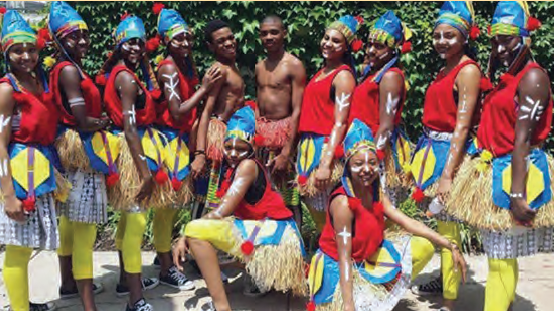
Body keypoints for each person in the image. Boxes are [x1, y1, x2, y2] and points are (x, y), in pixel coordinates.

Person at [444, 2, 553, 311]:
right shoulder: (507, 74)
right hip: (496, 171)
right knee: (500, 256)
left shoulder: (532, 79)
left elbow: (522, 140)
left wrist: (517, 194)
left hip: (515, 175)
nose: (500, 47)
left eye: (507, 39)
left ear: (526, 37)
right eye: (495, 39)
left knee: (500, 259)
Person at [306, 119, 467, 311]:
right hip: (340, 269)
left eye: (372, 162)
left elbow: (404, 220)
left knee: (422, 247)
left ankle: (379, 294)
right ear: (348, 165)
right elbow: (344, 257)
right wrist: (348, 305)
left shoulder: (375, 188)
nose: (367, 169)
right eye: (359, 163)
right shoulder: (343, 204)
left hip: (367, 257)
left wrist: (447, 244)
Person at [173, 105, 306, 311]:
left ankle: (222, 307)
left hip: (275, 237)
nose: (233, 153)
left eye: (240, 149)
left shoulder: (247, 167)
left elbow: (221, 211)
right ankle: (256, 276)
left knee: (196, 232)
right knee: (201, 231)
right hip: (267, 230)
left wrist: (186, 232)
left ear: (252, 147)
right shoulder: (237, 167)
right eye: (228, 147)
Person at [408, 3, 486, 310]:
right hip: (432, 152)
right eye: (438, 35)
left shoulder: (467, 71)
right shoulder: (444, 69)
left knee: (448, 229)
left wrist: (448, 174)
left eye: (449, 36)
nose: (441, 41)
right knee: (440, 226)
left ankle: (450, 302)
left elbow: (462, 126)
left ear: (464, 38)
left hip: (449, 158)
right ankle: (444, 280)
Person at [96, 14, 171, 311]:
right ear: (118, 45)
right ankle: (135, 300)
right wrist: (144, 173)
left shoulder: (127, 72)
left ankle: (127, 282)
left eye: (140, 42)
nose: (136, 47)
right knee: (137, 222)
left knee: (128, 221)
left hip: (132, 149)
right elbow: (129, 128)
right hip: (132, 153)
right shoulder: (126, 77)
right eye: (129, 43)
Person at [151, 6, 222, 291]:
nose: (185, 43)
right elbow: (177, 110)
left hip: (179, 141)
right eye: (178, 39)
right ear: (167, 40)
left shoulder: (184, 64)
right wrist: (204, 89)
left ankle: (164, 257)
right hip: (168, 142)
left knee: (170, 208)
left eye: (188, 38)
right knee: (164, 208)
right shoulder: (168, 67)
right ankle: (167, 269)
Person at [47, 2, 110, 310]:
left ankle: (68, 284)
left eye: (84, 35)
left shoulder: (63, 67)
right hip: (82, 151)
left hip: (69, 154)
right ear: (59, 41)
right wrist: (105, 123)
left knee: (70, 224)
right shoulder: (70, 69)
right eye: (74, 36)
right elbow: (83, 120)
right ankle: (89, 305)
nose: (83, 41)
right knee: (85, 229)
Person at [0, 9, 64, 311]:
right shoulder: (6, 90)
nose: (26, 55)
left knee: (25, 246)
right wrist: (8, 194)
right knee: (17, 247)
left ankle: (21, 303)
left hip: (37, 170)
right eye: (17, 50)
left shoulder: (39, 83)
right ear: (6, 53)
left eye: (30, 49)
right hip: (18, 174)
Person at [297, 15, 358, 231]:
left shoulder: (343, 77)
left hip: (324, 149)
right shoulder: (322, 72)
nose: (328, 43)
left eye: (336, 41)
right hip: (308, 148)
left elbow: (340, 122)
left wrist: (325, 164)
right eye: (326, 38)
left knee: (328, 213)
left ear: (346, 48)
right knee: (316, 210)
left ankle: (334, 255)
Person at [349, 10, 413, 205]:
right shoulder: (372, 73)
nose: (370, 51)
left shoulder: (391, 76)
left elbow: (386, 126)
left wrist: (371, 163)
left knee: (380, 211)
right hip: (363, 148)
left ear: (393, 49)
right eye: (369, 44)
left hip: (378, 154)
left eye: (378, 46)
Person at [254, 15, 306, 228]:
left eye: (274, 32)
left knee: (289, 196)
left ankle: (296, 248)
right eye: (264, 33)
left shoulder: (294, 65)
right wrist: (257, 133)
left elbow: (298, 110)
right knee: (263, 192)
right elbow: (258, 102)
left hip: (285, 137)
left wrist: (286, 152)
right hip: (263, 138)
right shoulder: (259, 66)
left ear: (284, 33)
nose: (269, 37)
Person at [194, 19, 245, 215]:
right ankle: (192, 239)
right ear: (211, 46)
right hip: (217, 138)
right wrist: (200, 154)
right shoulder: (218, 70)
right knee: (206, 194)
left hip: (230, 136)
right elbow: (206, 111)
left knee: (223, 194)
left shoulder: (232, 66)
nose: (229, 43)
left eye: (231, 38)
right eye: (221, 41)